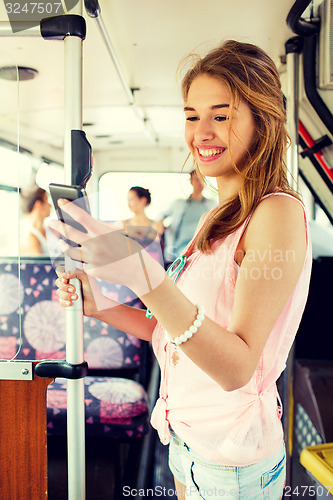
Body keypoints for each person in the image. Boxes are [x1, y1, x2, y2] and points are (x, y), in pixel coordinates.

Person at [52, 40, 312, 499]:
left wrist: (138, 269)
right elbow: (171, 328)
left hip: (231, 463)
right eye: (192, 115)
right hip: (187, 444)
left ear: (263, 120)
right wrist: (103, 306)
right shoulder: (219, 215)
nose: (202, 132)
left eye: (222, 114)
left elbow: (236, 367)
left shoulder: (276, 214)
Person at [158, 170, 216, 267]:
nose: (200, 183)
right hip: (182, 247)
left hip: (204, 246)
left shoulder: (212, 204)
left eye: (202, 180)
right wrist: (161, 225)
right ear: (191, 182)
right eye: (197, 180)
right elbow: (159, 216)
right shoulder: (179, 204)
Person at [20, 185, 51, 255]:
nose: (50, 205)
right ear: (38, 205)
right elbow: (40, 265)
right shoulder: (28, 237)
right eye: (47, 201)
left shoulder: (44, 229)